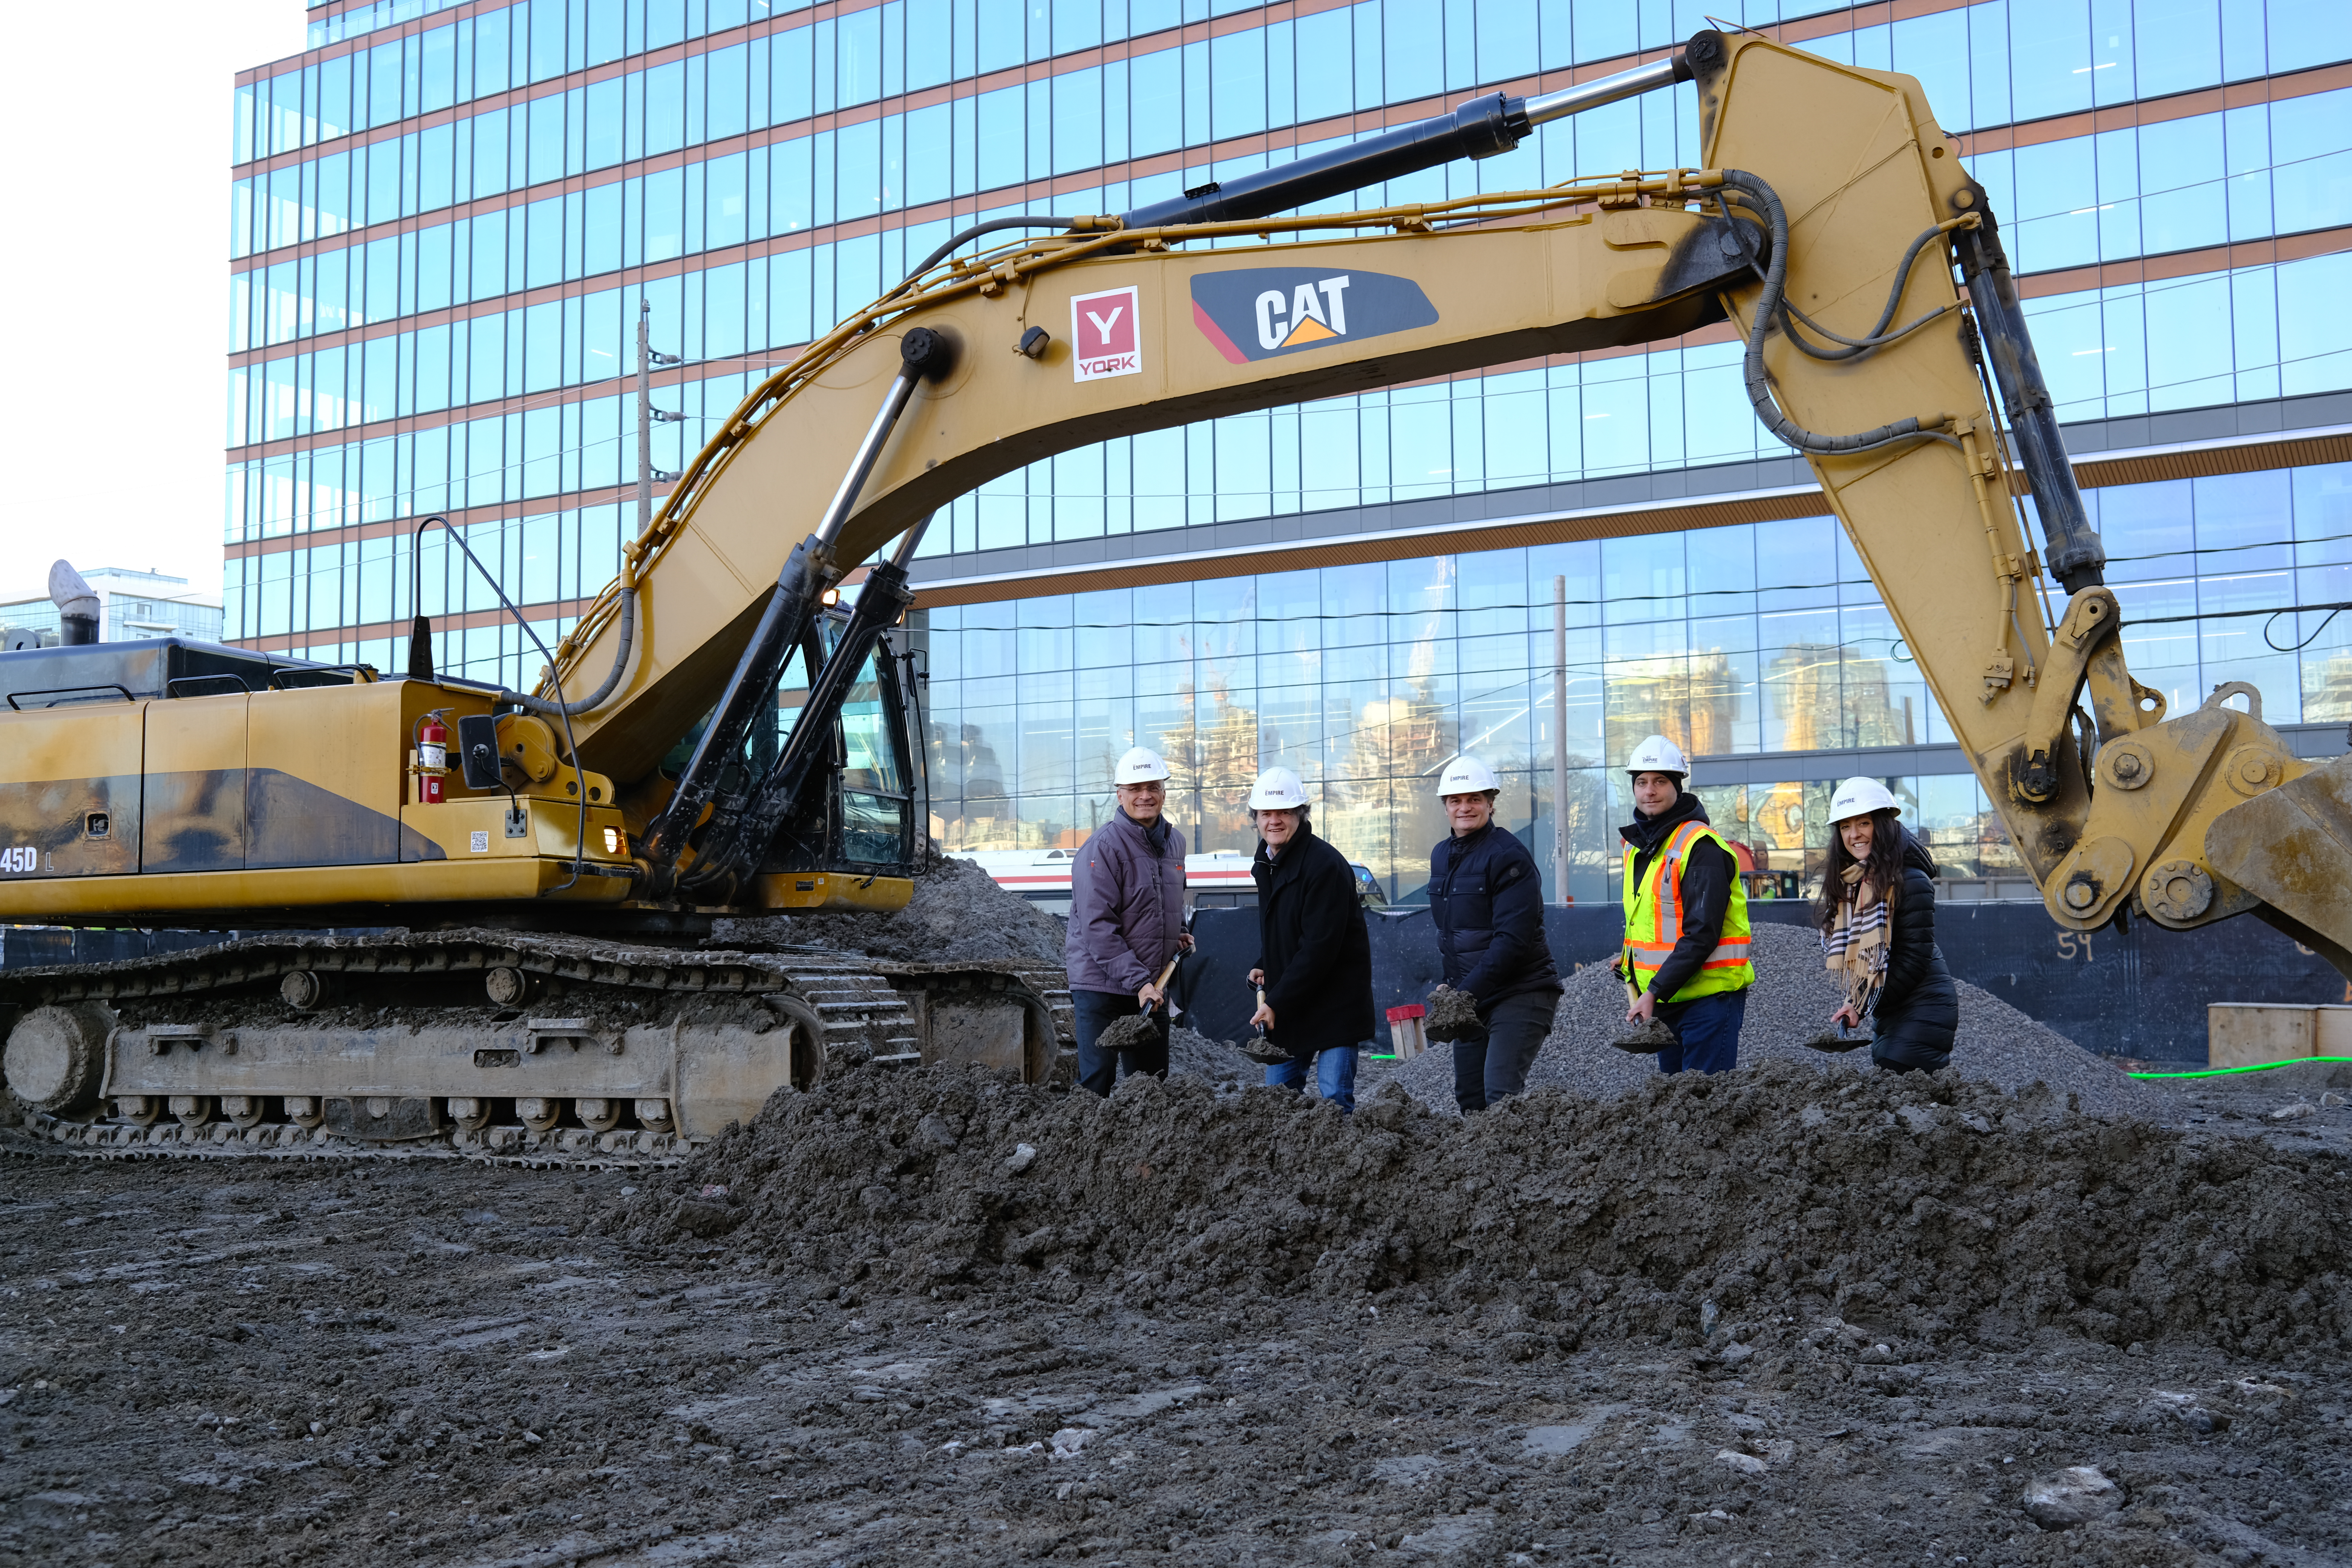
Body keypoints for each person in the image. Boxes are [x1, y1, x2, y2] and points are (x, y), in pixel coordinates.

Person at [1427, 754, 1564, 1113]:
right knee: (1470, 1098)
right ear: (1445, 807)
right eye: (1456, 800)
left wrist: (1464, 994)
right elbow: (1454, 933)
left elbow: (1512, 941)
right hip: (1473, 996)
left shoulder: (1509, 856)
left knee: (1500, 1095)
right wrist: (1451, 984)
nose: (1465, 808)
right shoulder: (1441, 855)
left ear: (1490, 803)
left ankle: (1519, 1169)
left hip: (1522, 990)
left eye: (1475, 799)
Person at [1617, 734, 1754, 1073]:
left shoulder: (1702, 847)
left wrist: (1655, 991)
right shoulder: (1638, 849)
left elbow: (1702, 933)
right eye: (1642, 782)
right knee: (1677, 1107)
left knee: (1706, 1104)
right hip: (1668, 1000)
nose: (1649, 791)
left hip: (1708, 1000)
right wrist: (1628, 961)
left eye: (1660, 782)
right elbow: (1648, 921)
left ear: (1677, 787)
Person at [1244, 766, 1374, 1112]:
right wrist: (1264, 963)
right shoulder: (1267, 863)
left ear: (1301, 815)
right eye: (1266, 813)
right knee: (1278, 1103)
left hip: (1334, 1004)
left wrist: (1275, 1002)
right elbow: (1286, 928)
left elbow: (1319, 947)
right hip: (1292, 1004)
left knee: (1334, 1100)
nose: (1275, 821)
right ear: (1255, 818)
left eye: (1284, 812)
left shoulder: (1324, 866)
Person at [1066, 746, 1193, 1096]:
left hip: (1149, 986)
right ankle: (1087, 1148)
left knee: (1151, 1086)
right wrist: (1139, 981)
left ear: (1164, 792)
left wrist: (1179, 933)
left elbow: (1161, 905)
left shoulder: (1175, 843)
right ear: (1120, 795)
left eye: (1153, 787)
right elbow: (1097, 928)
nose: (1145, 796)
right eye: (1136, 789)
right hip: (1101, 986)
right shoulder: (1101, 849)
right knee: (1097, 1081)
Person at [1818, 776, 1958, 1073]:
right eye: (1845, 827)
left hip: (1924, 1008)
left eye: (1863, 824)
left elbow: (1912, 960)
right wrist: (1857, 1002)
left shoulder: (1911, 881)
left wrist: (1862, 1004)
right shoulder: (1854, 884)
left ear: (1882, 825)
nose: (1854, 835)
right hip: (1893, 1011)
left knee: (1897, 1077)